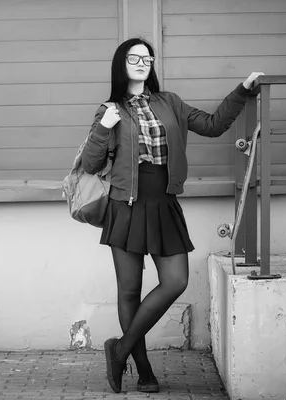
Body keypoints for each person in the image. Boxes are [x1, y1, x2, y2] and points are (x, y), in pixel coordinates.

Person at [80, 37, 264, 394]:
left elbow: (213, 125)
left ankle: (118, 349)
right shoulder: (111, 108)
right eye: (134, 57)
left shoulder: (170, 102)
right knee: (129, 291)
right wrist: (104, 125)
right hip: (126, 205)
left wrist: (242, 90)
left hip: (164, 202)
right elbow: (91, 164)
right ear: (121, 64)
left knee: (175, 281)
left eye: (147, 58)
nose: (142, 62)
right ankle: (144, 370)